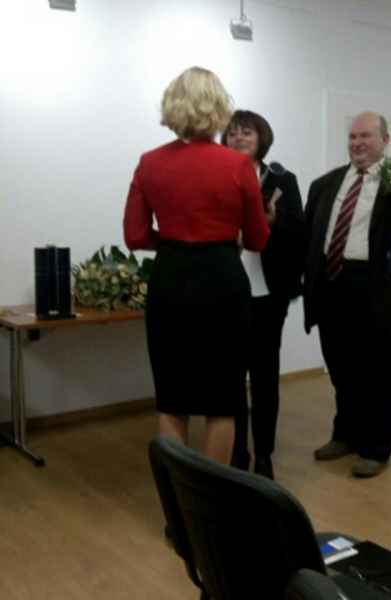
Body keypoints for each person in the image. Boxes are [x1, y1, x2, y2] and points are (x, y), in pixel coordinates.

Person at [123, 67, 269, 465]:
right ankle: (212, 498)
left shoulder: (149, 163)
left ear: (172, 106)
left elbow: (135, 236)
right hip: (222, 282)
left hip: (170, 280)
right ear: (218, 107)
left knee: (172, 399)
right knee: (223, 401)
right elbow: (257, 240)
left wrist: (173, 240)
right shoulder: (238, 166)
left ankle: (177, 499)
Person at [303, 111, 391, 478]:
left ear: (385, 140)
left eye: (365, 136)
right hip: (332, 285)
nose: (357, 143)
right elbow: (309, 236)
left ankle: (377, 448)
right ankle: (346, 435)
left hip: (379, 289)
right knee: (340, 368)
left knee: (378, 373)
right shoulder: (324, 185)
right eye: (352, 137)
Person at [221, 110, 305, 479]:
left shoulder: (282, 179)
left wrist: (271, 223)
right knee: (231, 378)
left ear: (261, 138)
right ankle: (237, 451)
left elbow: (298, 231)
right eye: (233, 133)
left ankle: (265, 455)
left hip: (269, 293)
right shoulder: (215, 176)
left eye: (247, 132)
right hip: (226, 291)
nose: (239, 138)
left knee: (265, 377)